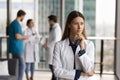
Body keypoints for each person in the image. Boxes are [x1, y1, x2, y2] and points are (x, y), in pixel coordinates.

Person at [52, 11, 95, 80]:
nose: (79, 27)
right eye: (76, 24)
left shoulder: (89, 45)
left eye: (82, 24)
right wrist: (79, 74)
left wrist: (82, 50)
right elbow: (56, 71)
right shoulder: (59, 45)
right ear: (69, 25)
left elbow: (89, 70)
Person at [8, 10, 29, 80]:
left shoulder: (13, 23)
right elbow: (17, 36)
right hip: (17, 48)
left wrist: (22, 37)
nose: (24, 18)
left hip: (14, 47)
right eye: (24, 16)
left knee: (16, 65)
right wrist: (25, 37)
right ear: (22, 16)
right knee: (23, 65)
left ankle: (16, 78)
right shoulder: (16, 24)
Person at [42, 15, 62, 80]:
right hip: (51, 49)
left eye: (49, 20)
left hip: (53, 50)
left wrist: (47, 45)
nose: (48, 22)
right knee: (52, 67)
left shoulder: (56, 28)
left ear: (52, 20)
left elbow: (56, 40)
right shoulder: (53, 28)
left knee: (53, 68)